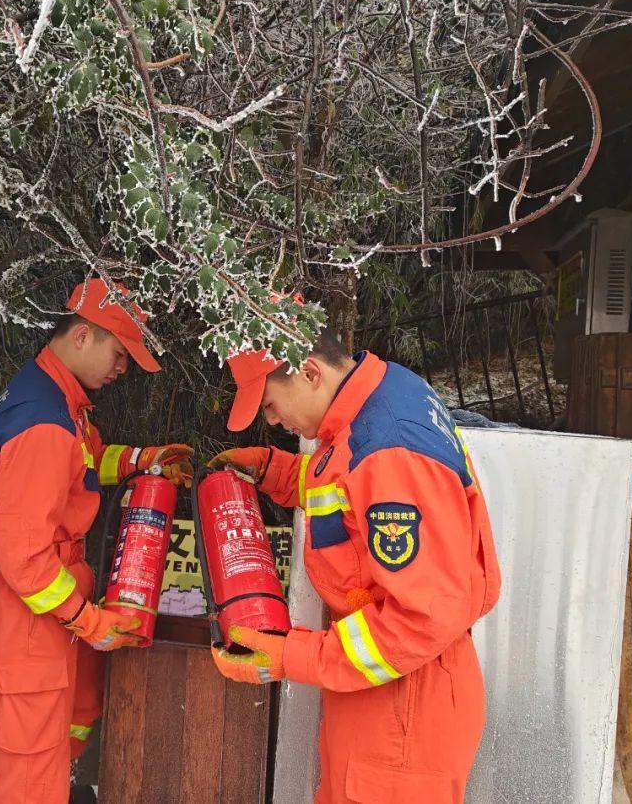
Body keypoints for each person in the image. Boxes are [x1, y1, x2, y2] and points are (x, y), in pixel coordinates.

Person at [209, 331, 500, 803]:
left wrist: (291, 656)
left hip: (403, 710)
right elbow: (346, 487)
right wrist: (275, 472)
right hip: (384, 695)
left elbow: (421, 618)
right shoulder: (372, 399)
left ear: (309, 372)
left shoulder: (389, 448)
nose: (272, 419)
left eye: (269, 404)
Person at [0, 279, 192, 804]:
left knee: (69, 726)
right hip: (31, 615)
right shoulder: (44, 422)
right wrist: (88, 620)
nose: (121, 369)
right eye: (119, 354)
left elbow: (86, 467)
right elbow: (24, 558)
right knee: (26, 771)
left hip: (52, 608)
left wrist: (144, 460)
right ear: (81, 337)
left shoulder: (57, 401)